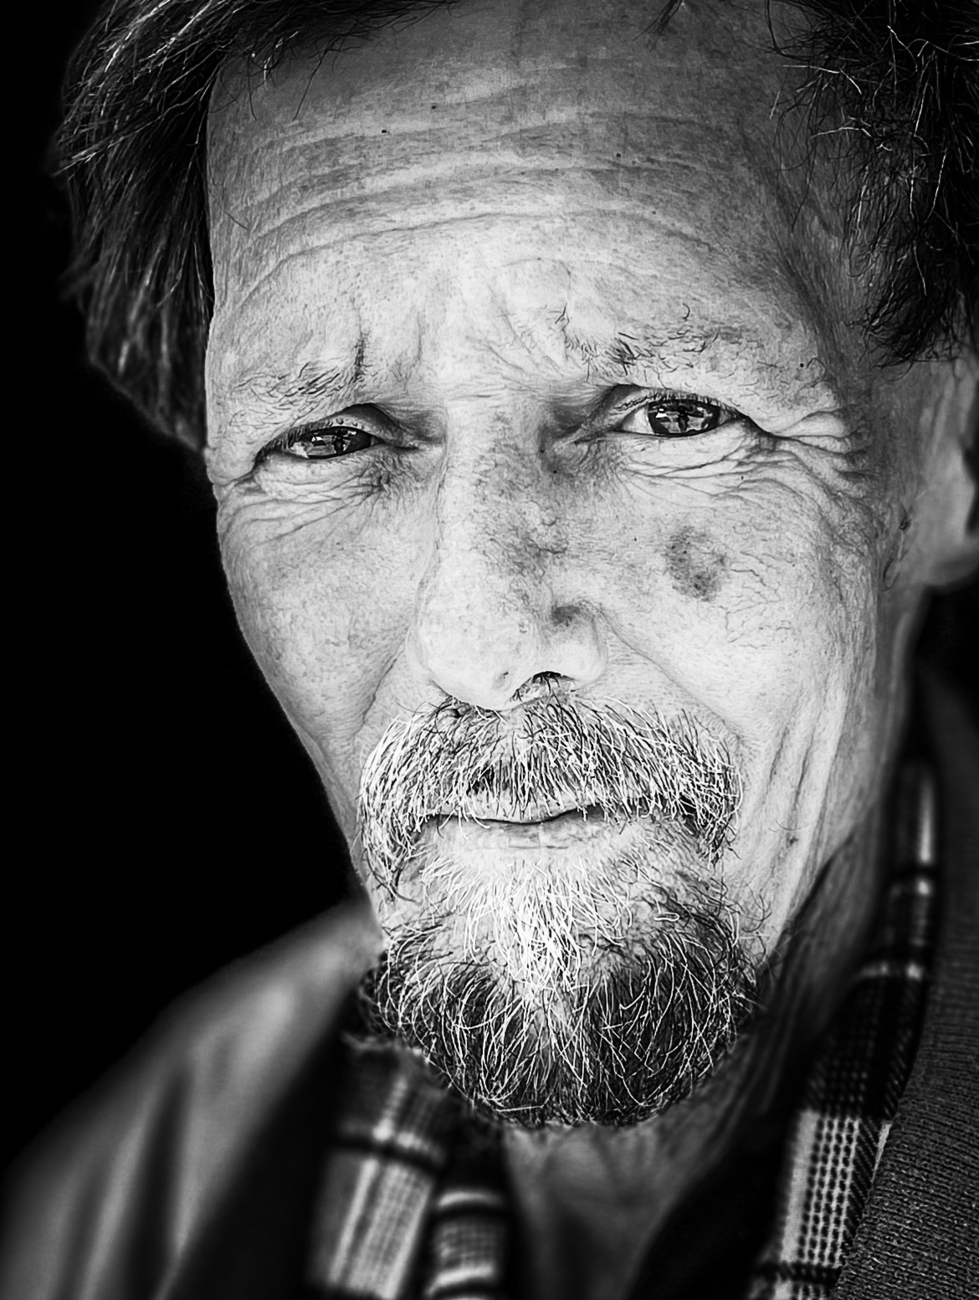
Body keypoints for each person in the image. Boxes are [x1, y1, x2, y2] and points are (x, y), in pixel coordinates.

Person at [3, 0, 976, 1296]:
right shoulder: (127, 1202)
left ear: (957, 449)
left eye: (668, 416)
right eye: (332, 439)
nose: (483, 642)